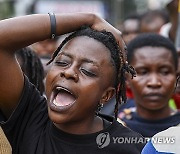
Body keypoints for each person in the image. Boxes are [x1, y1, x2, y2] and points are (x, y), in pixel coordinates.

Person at [0, 13, 144, 153]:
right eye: (62, 62)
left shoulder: (130, 146)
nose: (68, 72)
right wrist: (89, 18)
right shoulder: (30, 119)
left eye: (87, 71)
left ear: (107, 95)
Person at [118, 33, 180, 137]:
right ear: (127, 79)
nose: (154, 82)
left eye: (165, 72)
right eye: (143, 72)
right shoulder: (114, 131)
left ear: (176, 77)